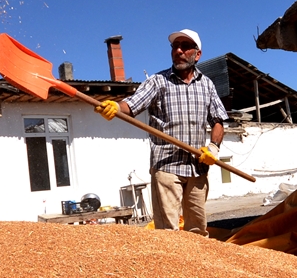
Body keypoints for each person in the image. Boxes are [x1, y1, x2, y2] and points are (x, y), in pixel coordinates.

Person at [95, 29, 227, 235]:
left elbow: (218, 121)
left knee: (198, 231)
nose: (179, 51)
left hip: (197, 167)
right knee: (168, 233)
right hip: (167, 167)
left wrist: (213, 148)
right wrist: (116, 106)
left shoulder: (207, 84)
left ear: (197, 54)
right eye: (175, 46)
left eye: (185, 46)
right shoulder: (158, 81)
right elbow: (132, 104)